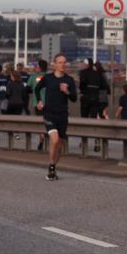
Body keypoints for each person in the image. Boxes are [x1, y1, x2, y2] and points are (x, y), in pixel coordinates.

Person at [34, 53, 77, 181]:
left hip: (62, 115)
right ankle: (52, 168)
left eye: (64, 62)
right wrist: (39, 101)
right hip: (49, 113)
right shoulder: (48, 78)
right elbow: (37, 89)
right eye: (60, 62)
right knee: (54, 139)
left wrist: (67, 91)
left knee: (59, 145)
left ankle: (52, 166)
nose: (62, 65)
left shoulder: (69, 80)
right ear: (54, 64)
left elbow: (74, 98)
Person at [27, 59, 48, 149]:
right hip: (49, 103)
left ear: (39, 67)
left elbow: (27, 88)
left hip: (37, 103)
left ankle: (41, 139)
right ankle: (47, 138)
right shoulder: (49, 76)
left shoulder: (33, 76)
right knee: (48, 122)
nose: (35, 68)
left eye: (36, 66)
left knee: (40, 123)